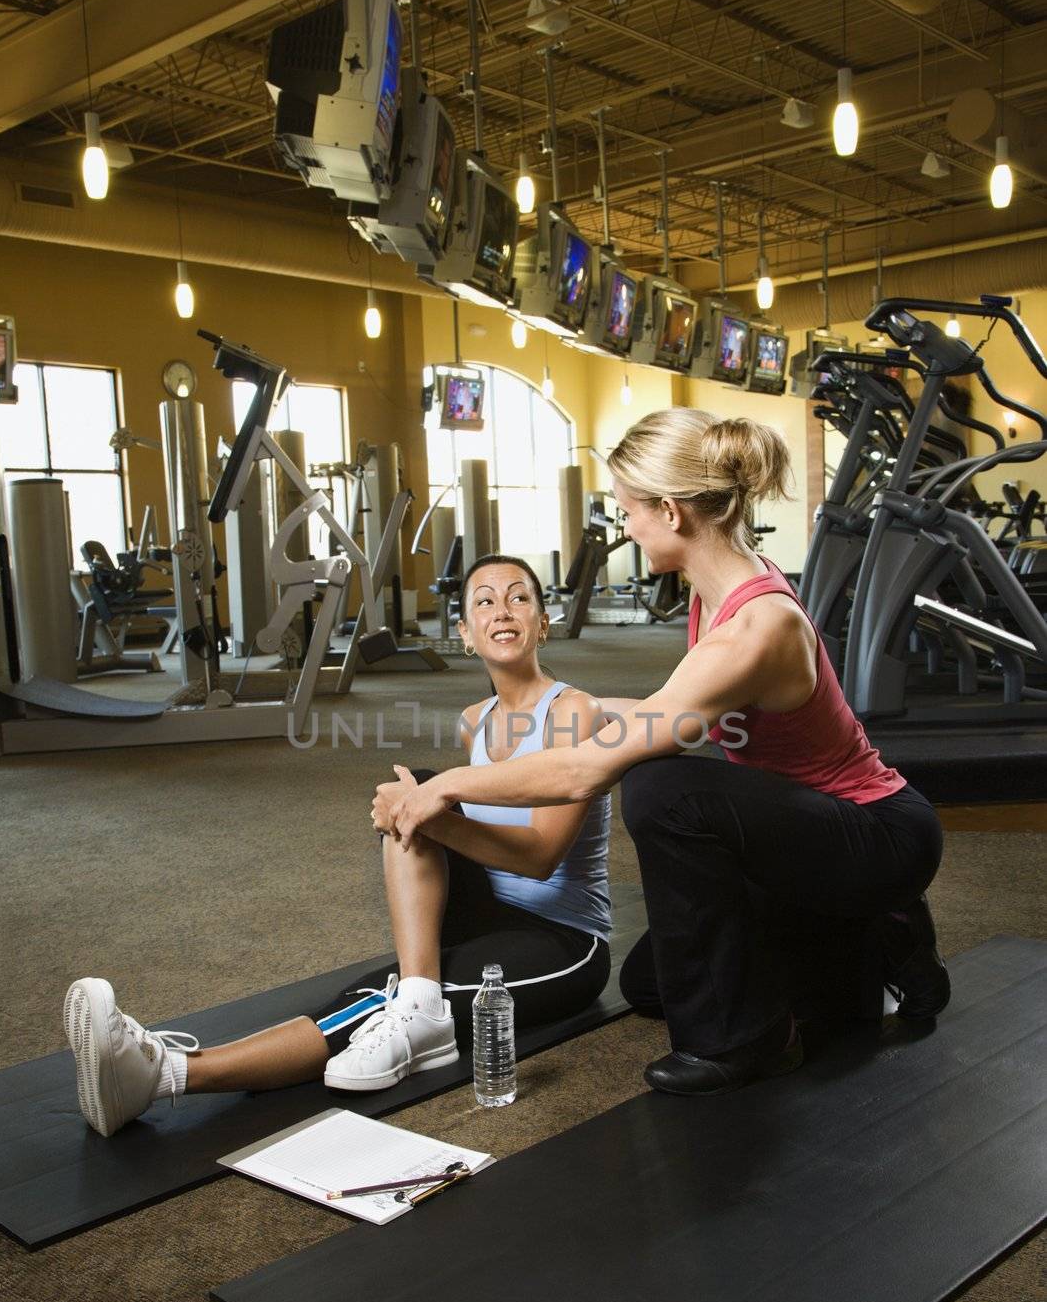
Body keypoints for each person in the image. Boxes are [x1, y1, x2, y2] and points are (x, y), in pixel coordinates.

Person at [373, 412, 948, 1098]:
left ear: (670, 511)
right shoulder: (722, 586)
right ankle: (874, 937)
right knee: (651, 982)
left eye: (628, 511)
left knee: (660, 788)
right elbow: (668, 708)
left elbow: (592, 767)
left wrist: (453, 785)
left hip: (875, 833)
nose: (627, 527)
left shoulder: (753, 628)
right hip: (802, 833)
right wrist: (586, 709)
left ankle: (744, 1042)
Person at [64, 555, 612, 1137]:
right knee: (417, 798)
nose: (501, 611)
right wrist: (421, 808)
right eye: (483, 601)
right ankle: (419, 996)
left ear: (543, 621)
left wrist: (430, 814)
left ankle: (164, 1074)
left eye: (518, 598)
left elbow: (539, 855)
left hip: (565, 942)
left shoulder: (573, 711)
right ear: (464, 632)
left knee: (377, 995)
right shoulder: (473, 720)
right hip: (486, 917)